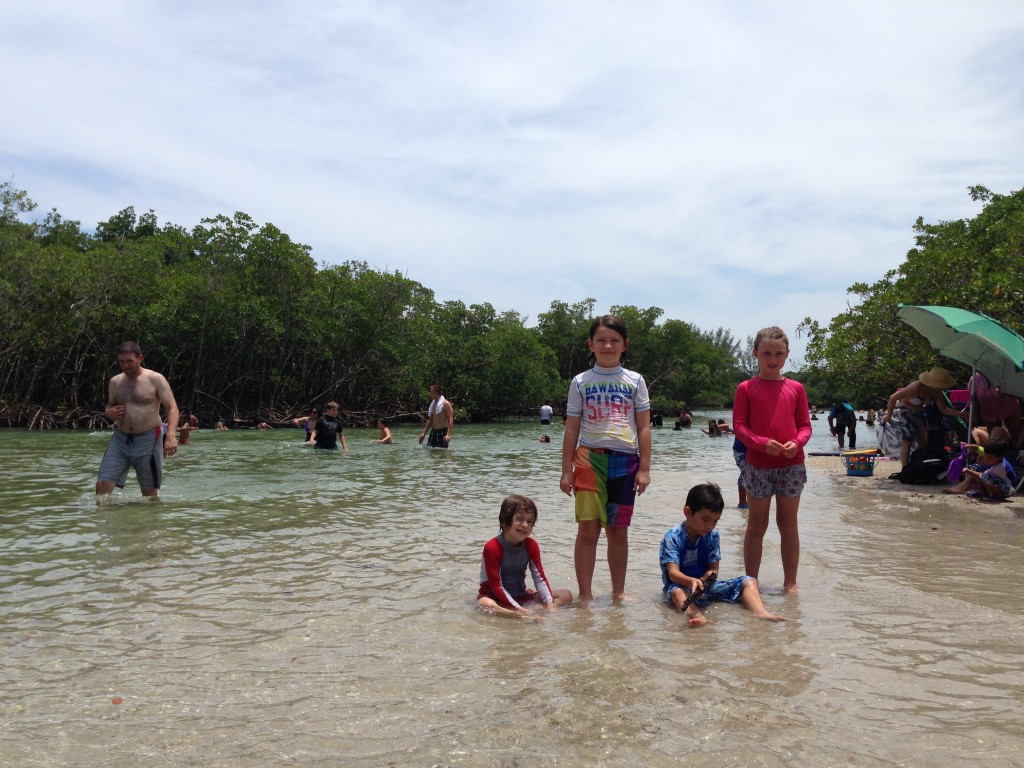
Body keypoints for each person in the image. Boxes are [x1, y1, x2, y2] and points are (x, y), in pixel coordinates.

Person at [560, 315, 651, 603]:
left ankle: (618, 592)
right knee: (588, 528)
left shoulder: (635, 381)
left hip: (626, 461)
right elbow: (572, 427)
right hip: (588, 459)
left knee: (617, 530)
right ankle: (585, 596)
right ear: (591, 344)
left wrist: (645, 468)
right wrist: (566, 470)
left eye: (614, 340)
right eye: (601, 340)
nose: (607, 345)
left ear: (625, 345)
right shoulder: (580, 382)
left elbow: (645, 426)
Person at [732, 326, 811, 593]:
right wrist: (762, 444)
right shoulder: (745, 388)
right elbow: (740, 427)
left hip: (792, 464)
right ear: (756, 353)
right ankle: (750, 582)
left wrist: (796, 443)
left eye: (778, 353)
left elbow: (805, 426)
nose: (772, 358)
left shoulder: (796, 388)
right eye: (766, 353)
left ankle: (790, 583)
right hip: (758, 465)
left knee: (788, 525)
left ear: (787, 354)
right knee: (756, 526)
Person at [660, 483, 784, 628]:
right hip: (680, 588)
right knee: (677, 592)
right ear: (688, 512)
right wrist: (691, 582)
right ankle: (698, 616)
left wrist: (704, 580)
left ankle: (760, 611)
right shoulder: (673, 536)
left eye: (715, 521)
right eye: (705, 520)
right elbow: (673, 573)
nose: (710, 526)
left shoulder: (712, 536)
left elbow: (713, 569)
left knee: (749, 581)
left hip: (705, 587)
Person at [96, 341, 179, 499]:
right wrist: (109, 413)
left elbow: (172, 408)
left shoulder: (155, 379)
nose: (125, 366)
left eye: (129, 361)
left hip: (148, 438)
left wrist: (171, 436)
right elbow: (110, 407)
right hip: (121, 438)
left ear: (140, 358)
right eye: (121, 362)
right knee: (102, 485)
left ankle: (149, 522)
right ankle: (102, 522)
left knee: (148, 493)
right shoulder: (115, 382)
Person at [477, 494, 573, 619]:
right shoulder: (492, 547)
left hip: (520, 595)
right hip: (494, 596)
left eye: (530, 521)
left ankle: (531, 612)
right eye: (520, 519)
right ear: (504, 521)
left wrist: (550, 604)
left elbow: (540, 579)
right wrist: (518, 608)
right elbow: (496, 585)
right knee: (485, 604)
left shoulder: (531, 545)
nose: (525, 525)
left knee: (566, 595)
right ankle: (517, 614)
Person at [882, 367, 965, 468]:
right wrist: (889, 415)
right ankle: (905, 468)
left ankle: (919, 462)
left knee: (923, 441)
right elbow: (892, 398)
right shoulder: (916, 387)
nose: (938, 387)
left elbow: (943, 408)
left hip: (918, 413)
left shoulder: (937, 391)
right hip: (904, 412)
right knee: (907, 442)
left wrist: (959, 414)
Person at [944, 430, 1017, 499]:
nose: (987, 459)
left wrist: (968, 471)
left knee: (984, 476)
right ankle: (982, 492)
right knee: (977, 467)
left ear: (1000, 457)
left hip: (1007, 490)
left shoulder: (1001, 467)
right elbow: (984, 451)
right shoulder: (996, 458)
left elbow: (982, 476)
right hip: (999, 482)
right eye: (987, 456)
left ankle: (995, 496)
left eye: (990, 458)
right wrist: (974, 447)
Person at [733, 434, 748, 509]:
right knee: (745, 474)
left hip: (745, 449)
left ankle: (745, 502)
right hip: (741, 450)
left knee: (747, 475)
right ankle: (742, 503)